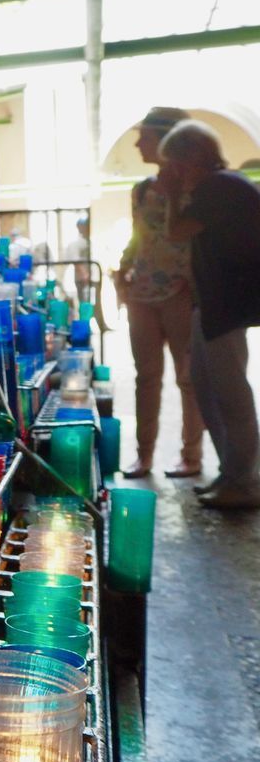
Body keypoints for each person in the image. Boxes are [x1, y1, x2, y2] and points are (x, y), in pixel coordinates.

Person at [162, 121, 260, 508]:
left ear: (192, 158)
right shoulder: (220, 187)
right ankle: (232, 474)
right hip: (215, 303)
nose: (171, 173)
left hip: (227, 302)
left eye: (174, 164)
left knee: (229, 393)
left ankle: (245, 480)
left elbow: (176, 231)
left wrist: (171, 195)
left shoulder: (219, 186)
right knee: (207, 385)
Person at [115, 107, 203, 479]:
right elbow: (140, 237)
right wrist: (123, 268)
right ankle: (144, 454)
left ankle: (191, 457)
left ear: (166, 140)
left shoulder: (193, 188)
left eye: (144, 136)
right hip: (142, 294)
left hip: (180, 292)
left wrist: (192, 280)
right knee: (145, 376)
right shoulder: (141, 189)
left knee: (188, 378)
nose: (137, 143)